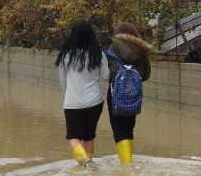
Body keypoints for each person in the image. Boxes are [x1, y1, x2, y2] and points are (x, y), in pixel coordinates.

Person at [56, 21, 109, 166]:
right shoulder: (99, 54)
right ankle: (89, 162)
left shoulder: (66, 56)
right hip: (94, 102)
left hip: (72, 103)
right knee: (89, 137)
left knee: (73, 137)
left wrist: (71, 94)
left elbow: (63, 82)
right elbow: (106, 76)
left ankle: (84, 162)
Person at [106, 22, 152, 164]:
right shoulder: (142, 50)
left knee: (119, 130)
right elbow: (146, 75)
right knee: (128, 129)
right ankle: (129, 160)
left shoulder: (112, 48)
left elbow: (107, 72)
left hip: (115, 94)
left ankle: (126, 167)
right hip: (134, 94)